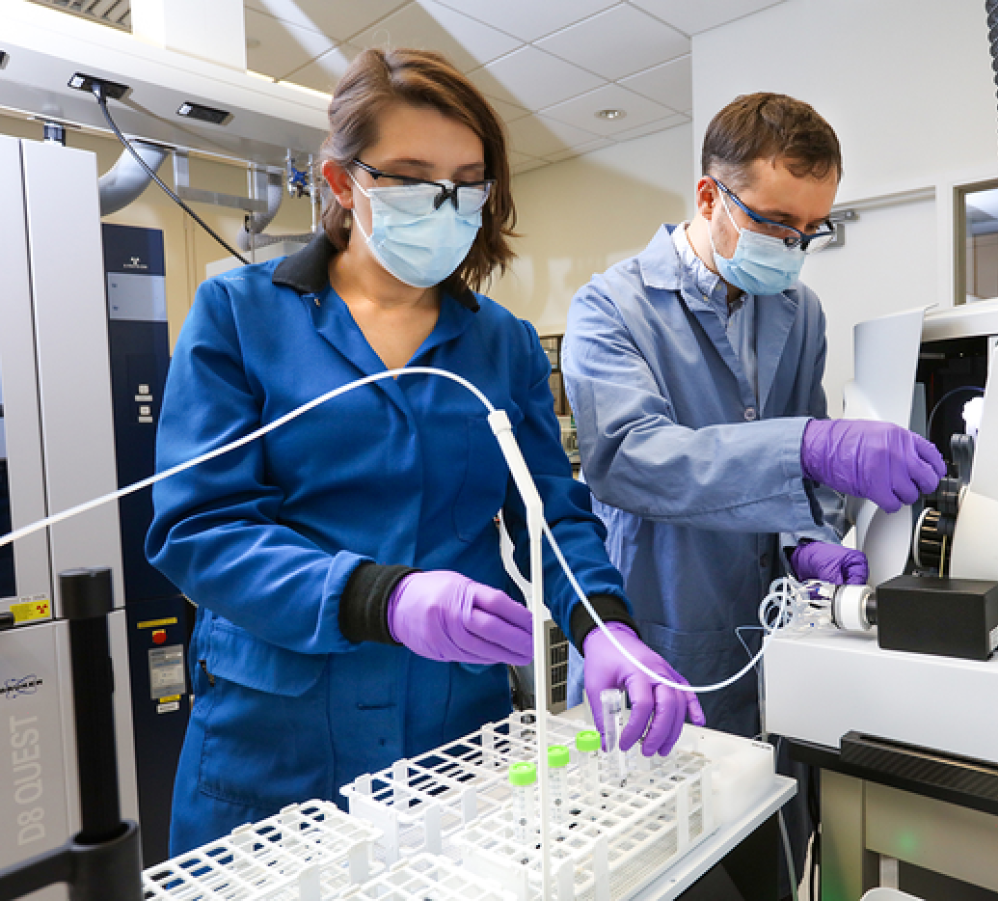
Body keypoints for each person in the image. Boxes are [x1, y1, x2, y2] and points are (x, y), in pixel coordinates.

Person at [147, 48, 701, 856]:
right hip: (275, 735)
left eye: (467, 182)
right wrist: (381, 597)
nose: (444, 203)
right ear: (342, 185)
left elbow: (553, 518)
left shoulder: (502, 344)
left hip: (449, 730)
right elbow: (199, 528)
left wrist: (604, 626)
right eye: (412, 178)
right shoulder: (238, 314)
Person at [561, 92, 944, 893]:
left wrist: (811, 539)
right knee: (652, 871)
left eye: (812, 230)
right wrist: (811, 446)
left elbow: (802, 468)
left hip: (770, 641)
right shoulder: (610, 307)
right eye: (776, 223)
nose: (795, 248)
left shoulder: (799, 311)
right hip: (657, 633)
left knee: (768, 865)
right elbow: (633, 458)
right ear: (709, 197)